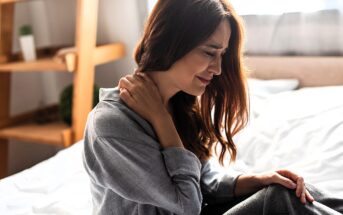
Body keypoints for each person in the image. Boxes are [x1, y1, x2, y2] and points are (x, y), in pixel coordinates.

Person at [82, 0, 343, 214]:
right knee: (276, 200)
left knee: (285, 189)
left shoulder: (179, 104)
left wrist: (256, 180)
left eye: (221, 55)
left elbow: (203, 180)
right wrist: (162, 121)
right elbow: (188, 204)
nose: (218, 69)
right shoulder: (110, 126)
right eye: (209, 53)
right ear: (171, 41)